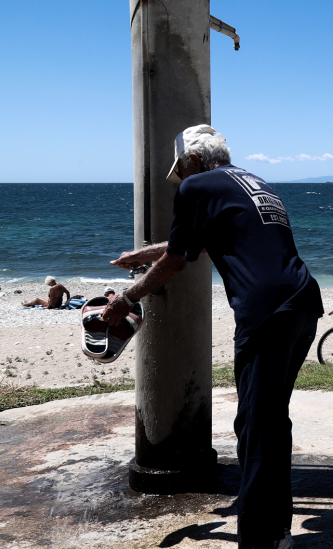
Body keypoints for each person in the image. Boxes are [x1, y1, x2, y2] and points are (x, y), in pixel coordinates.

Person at [102, 124, 321, 549]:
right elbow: (195, 244)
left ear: (194, 161)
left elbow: (176, 263)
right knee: (269, 419)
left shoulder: (197, 185)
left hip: (266, 313)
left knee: (256, 427)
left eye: (180, 170)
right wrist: (139, 255)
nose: (180, 180)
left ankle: (259, 540)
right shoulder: (252, 181)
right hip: (302, 303)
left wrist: (126, 299)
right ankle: (279, 527)